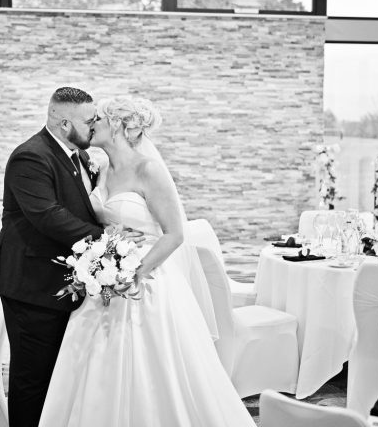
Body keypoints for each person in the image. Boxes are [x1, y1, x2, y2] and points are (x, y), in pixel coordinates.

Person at [38, 97, 255, 427]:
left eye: (99, 118)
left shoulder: (148, 169)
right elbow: (101, 223)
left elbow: (173, 234)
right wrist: (102, 261)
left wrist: (135, 272)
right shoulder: (101, 170)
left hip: (147, 283)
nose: (91, 123)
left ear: (119, 126)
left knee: (154, 374)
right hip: (105, 286)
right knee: (95, 373)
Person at [0, 86, 105, 427]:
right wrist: (108, 240)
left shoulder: (80, 156)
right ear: (64, 122)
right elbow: (48, 215)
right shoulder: (31, 156)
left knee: (57, 376)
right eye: (89, 120)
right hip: (32, 286)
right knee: (31, 380)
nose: (94, 125)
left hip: (63, 283)